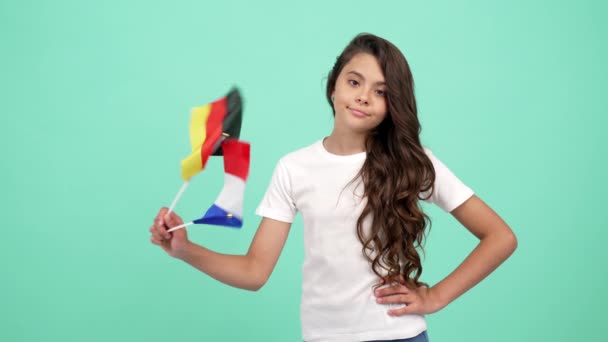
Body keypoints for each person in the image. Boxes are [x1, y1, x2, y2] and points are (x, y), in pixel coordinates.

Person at [149, 33, 517, 342]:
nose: (363, 97)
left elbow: (500, 237)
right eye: (354, 82)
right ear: (334, 85)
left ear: (393, 104)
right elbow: (255, 272)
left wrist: (436, 296)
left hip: (397, 335)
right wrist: (186, 250)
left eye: (381, 91)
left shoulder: (412, 162)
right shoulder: (294, 168)